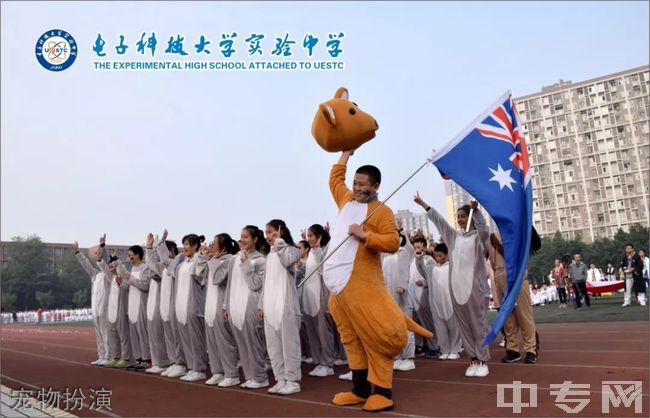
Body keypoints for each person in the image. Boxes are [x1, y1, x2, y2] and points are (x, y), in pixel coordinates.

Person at [325, 150, 431, 412]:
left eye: (363, 184)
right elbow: (334, 180)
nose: (358, 188)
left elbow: (393, 242)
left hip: (364, 288)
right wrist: (345, 154)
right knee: (351, 339)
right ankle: (360, 389)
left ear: (376, 186)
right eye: (356, 183)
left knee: (375, 336)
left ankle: (383, 391)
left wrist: (365, 236)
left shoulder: (381, 211)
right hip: (339, 291)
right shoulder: (346, 200)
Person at [413, 192, 491, 378]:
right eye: (458, 218)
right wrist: (424, 204)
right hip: (456, 290)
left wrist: (476, 212)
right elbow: (440, 222)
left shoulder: (478, 239)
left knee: (478, 325)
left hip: (474, 290)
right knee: (464, 326)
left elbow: (484, 229)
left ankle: (482, 360)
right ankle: (473, 359)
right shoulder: (453, 238)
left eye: (463, 216)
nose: (460, 220)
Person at [258, 219, 302, 396]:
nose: (268, 236)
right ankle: (280, 379)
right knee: (274, 345)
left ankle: (292, 381)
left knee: (289, 344)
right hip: (270, 305)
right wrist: (261, 304)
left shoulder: (292, 250)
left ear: (280, 231)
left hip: (286, 305)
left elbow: (287, 262)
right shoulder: (269, 256)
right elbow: (265, 283)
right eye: (267, 233)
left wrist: (280, 244)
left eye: (271, 232)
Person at [224, 225, 269, 389]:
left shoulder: (261, 260)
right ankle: (250, 376)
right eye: (241, 236)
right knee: (242, 343)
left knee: (254, 343)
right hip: (235, 305)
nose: (242, 240)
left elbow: (257, 285)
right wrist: (225, 306)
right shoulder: (234, 259)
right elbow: (229, 284)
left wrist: (246, 265)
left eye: (246, 237)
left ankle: (260, 377)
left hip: (250, 306)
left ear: (255, 239)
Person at [167, 234, 209, 382]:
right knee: (184, 339)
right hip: (180, 305)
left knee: (196, 340)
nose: (184, 247)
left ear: (195, 246)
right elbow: (170, 270)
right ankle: (190, 367)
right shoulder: (182, 263)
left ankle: (199, 369)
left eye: (187, 244)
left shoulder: (200, 260)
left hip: (193, 307)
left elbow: (201, 278)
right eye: (183, 244)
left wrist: (202, 258)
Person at [202, 233, 240, 387]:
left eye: (213, 244)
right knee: (212, 341)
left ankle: (232, 374)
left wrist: (212, 260)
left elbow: (219, 278)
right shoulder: (215, 260)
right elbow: (202, 277)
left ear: (222, 247)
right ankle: (217, 372)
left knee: (225, 341)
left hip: (221, 304)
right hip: (209, 304)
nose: (210, 246)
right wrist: (208, 259)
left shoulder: (229, 260)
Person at [415, 242, 462, 361]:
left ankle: (455, 349)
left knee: (453, 326)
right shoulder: (433, 268)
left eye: (441, 256)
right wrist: (419, 254)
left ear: (446, 255)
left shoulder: (452, 267)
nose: (438, 258)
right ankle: (445, 350)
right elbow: (420, 268)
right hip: (436, 302)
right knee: (440, 327)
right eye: (437, 256)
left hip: (450, 301)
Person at [302, 224, 336, 378]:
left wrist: (316, 249)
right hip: (309, 296)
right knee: (313, 331)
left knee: (324, 331)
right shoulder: (310, 253)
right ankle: (319, 361)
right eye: (307, 236)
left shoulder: (324, 250)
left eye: (311, 235)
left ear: (319, 236)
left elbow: (323, 269)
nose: (309, 239)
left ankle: (328, 363)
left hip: (320, 295)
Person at [73, 235, 111, 366]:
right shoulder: (95, 275)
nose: (98, 260)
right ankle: (101, 355)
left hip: (105, 308)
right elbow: (86, 265)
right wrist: (78, 253)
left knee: (106, 334)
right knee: (99, 334)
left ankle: (108, 356)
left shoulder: (108, 275)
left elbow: (106, 260)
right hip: (95, 309)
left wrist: (103, 246)